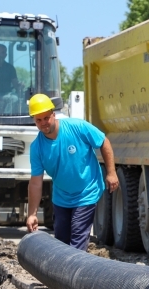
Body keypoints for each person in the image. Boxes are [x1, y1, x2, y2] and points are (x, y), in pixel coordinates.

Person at [26, 94, 119, 251]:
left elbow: (103, 141)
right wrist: (32, 214)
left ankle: (77, 266)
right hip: (61, 197)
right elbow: (35, 182)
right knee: (61, 242)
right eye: (38, 120)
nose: (43, 123)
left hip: (86, 192)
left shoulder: (77, 127)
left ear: (53, 114)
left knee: (77, 238)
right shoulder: (37, 147)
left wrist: (111, 172)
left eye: (46, 118)